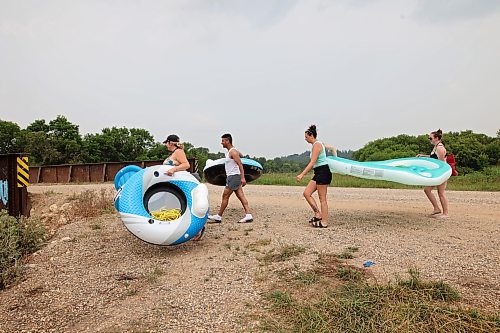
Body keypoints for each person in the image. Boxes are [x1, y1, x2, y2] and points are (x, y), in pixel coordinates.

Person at [163, 134, 205, 240]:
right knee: (173, 205)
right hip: (173, 183)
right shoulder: (175, 152)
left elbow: (186, 165)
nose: (165, 145)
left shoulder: (178, 152)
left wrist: (173, 169)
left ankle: (199, 228)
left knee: (187, 204)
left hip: (180, 183)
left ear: (170, 143)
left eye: (166, 143)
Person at [296, 125, 336, 228]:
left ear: (311, 135)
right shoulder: (318, 144)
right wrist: (335, 158)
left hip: (323, 172)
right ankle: (318, 214)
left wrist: (302, 174)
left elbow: (312, 162)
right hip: (318, 172)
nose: (305, 139)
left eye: (306, 137)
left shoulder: (317, 145)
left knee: (322, 199)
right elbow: (332, 148)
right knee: (306, 193)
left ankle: (324, 222)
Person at [208, 133, 253, 223]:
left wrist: (243, 178)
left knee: (225, 196)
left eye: (223, 141)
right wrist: (236, 151)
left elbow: (240, 164)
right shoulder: (232, 151)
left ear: (228, 141)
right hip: (233, 176)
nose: (221, 143)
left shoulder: (232, 152)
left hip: (233, 176)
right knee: (240, 195)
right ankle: (248, 215)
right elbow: (241, 155)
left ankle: (219, 216)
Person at [417, 129, 449, 218]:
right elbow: (433, 158)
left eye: (430, 138)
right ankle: (436, 209)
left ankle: (445, 213)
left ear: (436, 138)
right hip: (436, 173)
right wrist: (423, 155)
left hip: (441, 173)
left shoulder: (440, 148)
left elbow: (441, 163)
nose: (429, 140)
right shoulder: (436, 147)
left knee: (441, 192)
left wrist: (439, 175)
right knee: (427, 190)